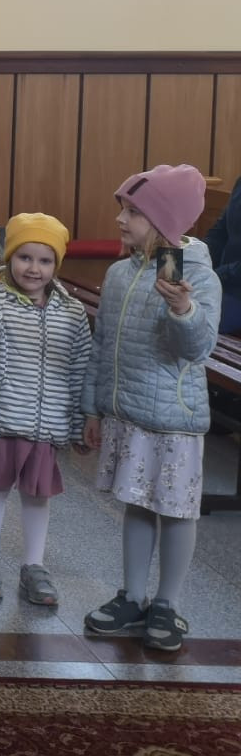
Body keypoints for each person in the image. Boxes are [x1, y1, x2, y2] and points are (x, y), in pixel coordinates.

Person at [82, 164, 220, 653]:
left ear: (165, 221)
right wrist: (93, 408)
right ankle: (132, 596)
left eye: (134, 212)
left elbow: (197, 349)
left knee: (177, 512)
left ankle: (167, 603)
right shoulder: (120, 272)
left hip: (174, 420)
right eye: (123, 208)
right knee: (137, 503)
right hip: (129, 415)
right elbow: (102, 346)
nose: (121, 219)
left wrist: (183, 310)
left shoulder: (197, 276)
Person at [0, 212, 92, 606]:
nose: (34, 268)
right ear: (9, 258)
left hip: (47, 423)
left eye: (44, 260)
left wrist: (78, 423)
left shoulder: (72, 312)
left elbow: (80, 368)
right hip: (2, 416)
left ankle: (34, 566)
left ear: (57, 265)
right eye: (24, 257)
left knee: (38, 496)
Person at [201, 173, 241, 334]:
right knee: (161, 303)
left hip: (235, 289)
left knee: (197, 322)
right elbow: (219, 233)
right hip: (221, 281)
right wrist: (196, 259)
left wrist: (215, 275)